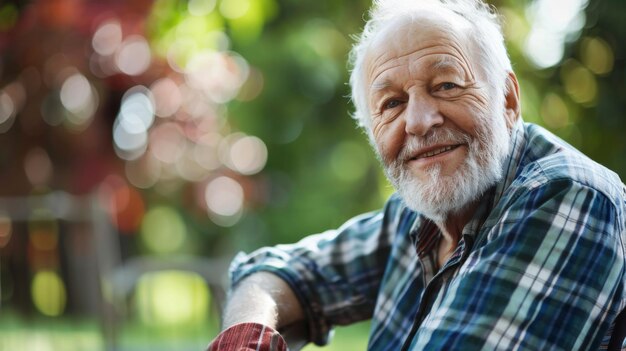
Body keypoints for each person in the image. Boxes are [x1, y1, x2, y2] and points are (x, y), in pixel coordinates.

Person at [207, 0, 626, 350]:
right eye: (391, 104)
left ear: (508, 99)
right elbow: (276, 271)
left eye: (446, 85)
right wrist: (247, 337)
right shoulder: (416, 220)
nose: (419, 121)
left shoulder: (566, 195)